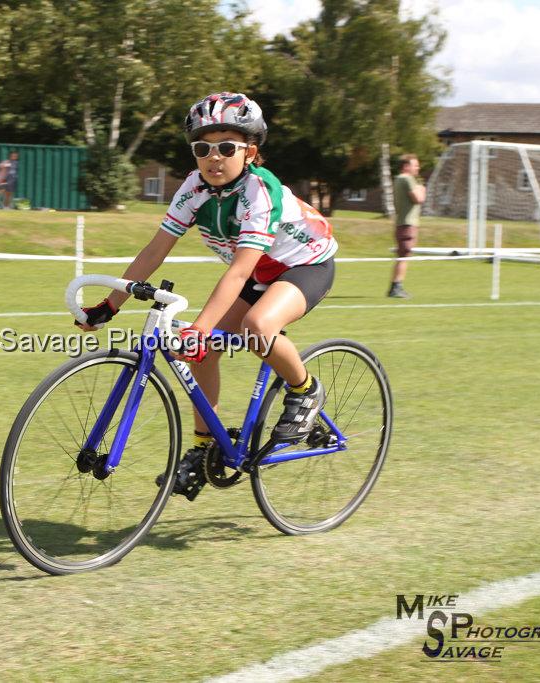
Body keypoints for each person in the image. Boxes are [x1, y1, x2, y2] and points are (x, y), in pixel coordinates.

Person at [75, 92, 337, 500]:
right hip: (257, 272)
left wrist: (200, 325)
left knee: (257, 327)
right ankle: (203, 447)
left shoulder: (259, 191)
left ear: (250, 152)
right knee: (202, 349)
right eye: (202, 148)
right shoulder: (195, 187)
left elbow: (238, 270)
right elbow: (154, 250)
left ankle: (305, 390)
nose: (214, 158)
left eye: (227, 148)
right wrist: (110, 304)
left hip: (303, 265)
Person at [389, 153, 425, 298]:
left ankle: (395, 286)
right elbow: (419, 199)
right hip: (408, 223)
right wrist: (422, 188)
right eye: (415, 165)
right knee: (404, 256)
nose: (418, 168)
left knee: (402, 255)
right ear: (406, 166)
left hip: (401, 223)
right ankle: (396, 287)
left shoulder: (398, 179)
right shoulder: (407, 179)